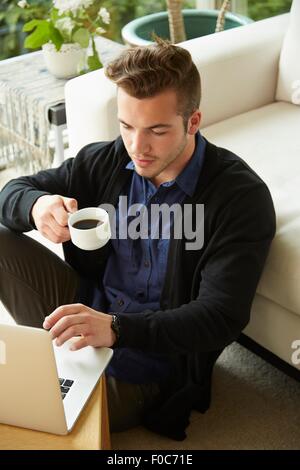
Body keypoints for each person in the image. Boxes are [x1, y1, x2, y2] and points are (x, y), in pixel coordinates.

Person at [0, 38, 276, 441]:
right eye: (127, 126)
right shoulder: (108, 160)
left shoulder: (239, 199)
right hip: (87, 305)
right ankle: (55, 358)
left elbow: (220, 317)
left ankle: (60, 372)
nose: (137, 147)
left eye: (157, 131)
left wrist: (116, 329)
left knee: (39, 425)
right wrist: (37, 205)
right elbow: (12, 192)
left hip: (154, 359)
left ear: (193, 121)